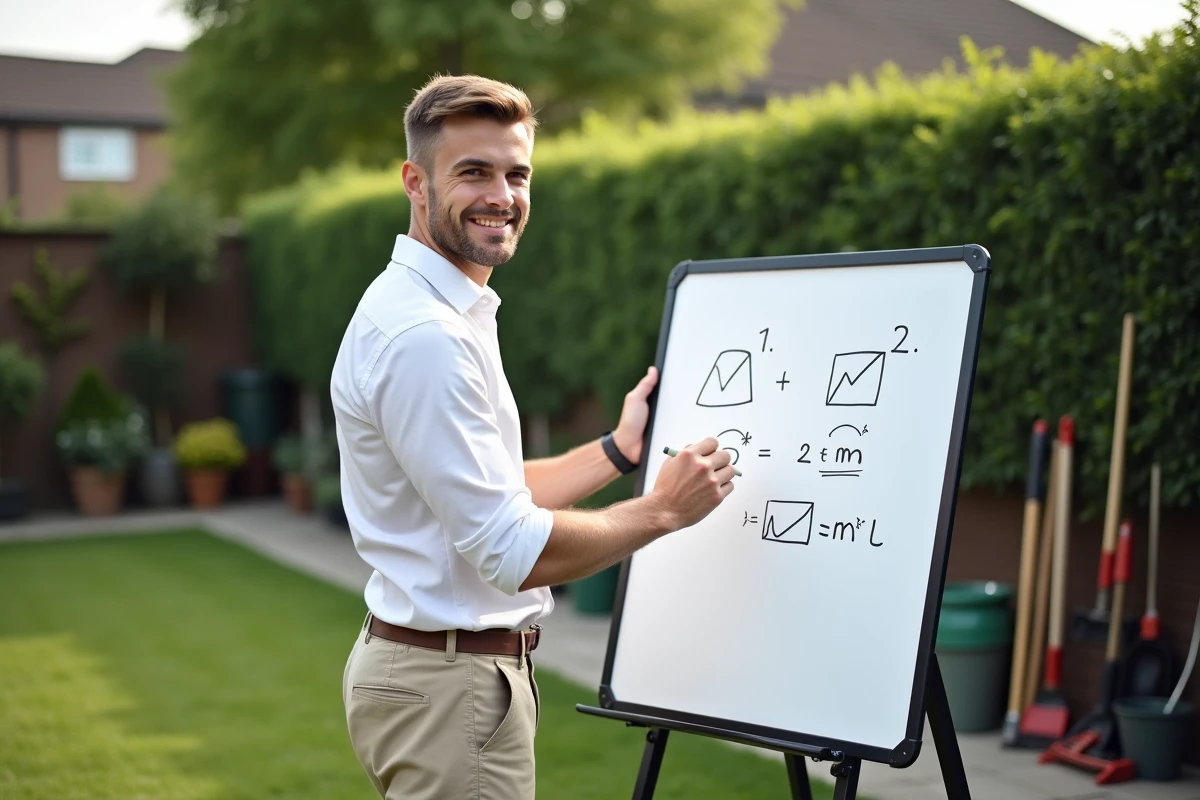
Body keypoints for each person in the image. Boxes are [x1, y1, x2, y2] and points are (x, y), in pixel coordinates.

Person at [331, 73, 736, 800]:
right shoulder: (427, 338)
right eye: (474, 172)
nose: (502, 196)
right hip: (449, 689)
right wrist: (664, 510)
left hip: (431, 678)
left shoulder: (439, 309)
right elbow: (510, 550)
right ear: (415, 182)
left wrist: (619, 451)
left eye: (517, 173)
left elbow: (494, 495)